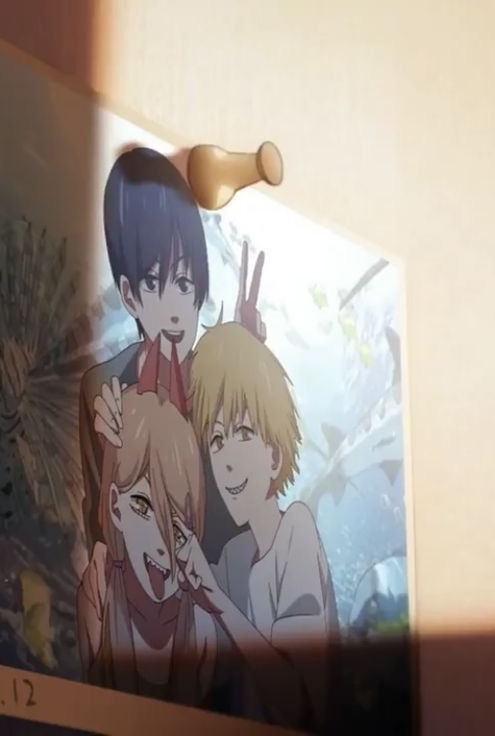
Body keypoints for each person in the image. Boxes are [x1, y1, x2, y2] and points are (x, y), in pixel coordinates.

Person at [79, 146, 264, 564]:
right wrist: (116, 455)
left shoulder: (221, 387)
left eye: (183, 283)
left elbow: (247, 525)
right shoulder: (102, 390)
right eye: (153, 283)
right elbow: (100, 538)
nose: (175, 309)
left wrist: (250, 381)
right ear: (129, 295)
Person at [180, 321, 339, 731]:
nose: (227, 461)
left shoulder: (296, 531)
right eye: (217, 441)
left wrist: (213, 597)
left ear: (274, 455)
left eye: (244, 433)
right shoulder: (234, 557)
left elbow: (297, 702)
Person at [76, 335, 217, 706]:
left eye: (176, 517)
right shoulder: (99, 599)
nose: (160, 539)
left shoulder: (201, 625)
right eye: (142, 506)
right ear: (115, 507)